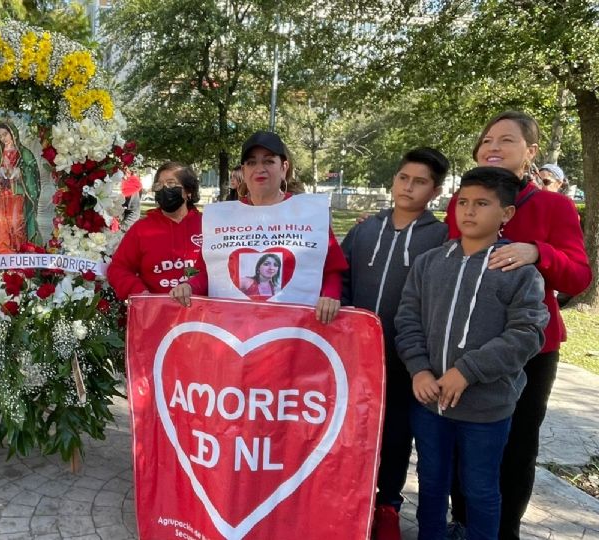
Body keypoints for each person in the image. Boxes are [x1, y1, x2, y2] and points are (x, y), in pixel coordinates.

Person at [444, 111, 591, 540]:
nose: (492, 146)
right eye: (487, 139)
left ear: (530, 152)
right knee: (461, 446)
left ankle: (502, 532)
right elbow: (447, 254)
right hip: (466, 347)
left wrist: (537, 251)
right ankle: (464, 527)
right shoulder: (462, 202)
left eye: (506, 140)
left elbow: (579, 277)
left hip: (529, 352)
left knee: (514, 450)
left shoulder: (554, 205)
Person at [396, 166, 549, 540]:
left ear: (506, 214)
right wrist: (419, 370)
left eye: (482, 203)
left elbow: (527, 333)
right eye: (463, 202)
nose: (469, 211)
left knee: (480, 489)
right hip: (430, 403)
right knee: (431, 484)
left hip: (487, 409)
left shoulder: (519, 272)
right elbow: (407, 319)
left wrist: (466, 371)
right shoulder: (429, 263)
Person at [340, 147, 450, 540]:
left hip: (407, 358)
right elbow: (340, 276)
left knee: (396, 434)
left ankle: (387, 504)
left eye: (420, 182)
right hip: (354, 355)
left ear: (434, 191)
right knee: (352, 429)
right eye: (404, 178)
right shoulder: (365, 229)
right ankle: (349, 500)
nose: (408, 187)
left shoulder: (441, 238)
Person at [170, 130, 348, 324]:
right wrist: (188, 287)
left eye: (269, 161)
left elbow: (332, 269)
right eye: (251, 162)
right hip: (236, 330)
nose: (259, 168)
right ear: (244, 171)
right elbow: (207, 273)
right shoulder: (222, 218)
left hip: (296, 332)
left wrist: (330, 296)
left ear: (283, 168)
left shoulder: (309, 214)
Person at [108, 162, 202, 299]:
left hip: (202, 314)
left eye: (171, 184)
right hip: (155, 314)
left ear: (188, 191)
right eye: (159, 185)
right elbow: (118, 269)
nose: (164, 189)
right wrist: (139, 293)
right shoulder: (141, 229)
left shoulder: (207, 225)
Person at [0, 122, 41, 253]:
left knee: (16, 224)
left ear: (13, 133)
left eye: (5, 134)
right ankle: (3, 255)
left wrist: (20, 172)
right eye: (0, 136)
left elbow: (33, 171)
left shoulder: (24, 153)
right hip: (1, 195)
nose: (3, 138)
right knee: (2, 225)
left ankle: (19, 253)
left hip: (17, 195)